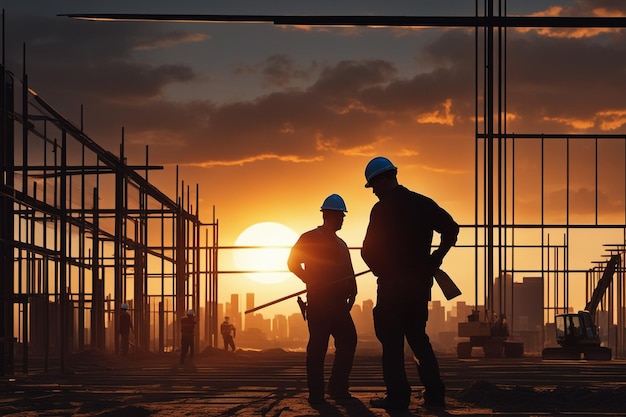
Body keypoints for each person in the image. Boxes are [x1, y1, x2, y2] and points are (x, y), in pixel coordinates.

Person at [361, 156, 459, 410]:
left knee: (392, 344)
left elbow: (367, 251)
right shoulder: (422, 203)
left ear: (383, 180)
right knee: (418, 339)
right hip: (418, 287)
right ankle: (435, 395)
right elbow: (451, 229)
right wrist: (434, 258)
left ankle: (397, 397)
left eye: (374, 187)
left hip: (392, 288)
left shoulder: (381, 210)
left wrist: (381, 270)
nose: (375, 193)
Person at [287, 194, 358, 405]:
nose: (343, 219)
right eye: (340, 216)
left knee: (348, 340)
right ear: (329, 215)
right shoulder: (309, 238)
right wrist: (310, 279)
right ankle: (316, 393)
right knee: (318, 347)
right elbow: (292, 262)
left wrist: (353, 290)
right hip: (319, 302)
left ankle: (337, 387)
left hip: (338, 304)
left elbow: (349, 271)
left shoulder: (341, 244)